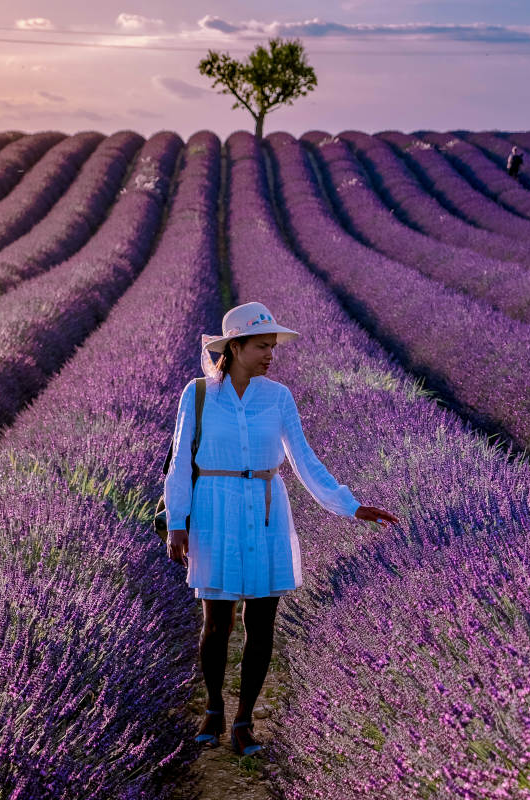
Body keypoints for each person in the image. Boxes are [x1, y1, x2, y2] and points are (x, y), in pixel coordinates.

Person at [164, 301, 399, 756]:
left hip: (267, 510)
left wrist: (350, 506)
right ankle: (213, 707)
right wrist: (177, 524)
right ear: (234, 347)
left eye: (273, 346)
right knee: (217, 622)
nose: (270, 354)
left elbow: (304, 459)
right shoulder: (197, 394)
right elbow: (178, 463)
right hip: (215, 510)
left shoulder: (278, 397)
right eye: (261, 345)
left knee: (262, 621)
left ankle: (244, 719)